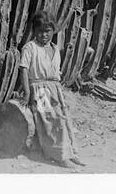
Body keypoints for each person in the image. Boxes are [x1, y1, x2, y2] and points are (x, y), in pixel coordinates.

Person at [15, 11, 84, 168]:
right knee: (51, 122)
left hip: (54, 89)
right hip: (39, 90)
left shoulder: (55, 48)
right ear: (34, 31)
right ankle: (60, 156)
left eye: (47, 31)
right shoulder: (30, 48)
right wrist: (27, 92)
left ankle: (71, 152)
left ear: (53, 31)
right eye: (40, 31)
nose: (44, 35)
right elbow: (24, 70)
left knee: (64, 119)